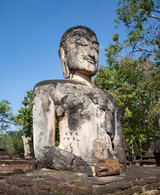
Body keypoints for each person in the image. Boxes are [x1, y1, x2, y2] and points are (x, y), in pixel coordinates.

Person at [33, 26, 126, 176]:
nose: (92, 54)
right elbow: (42, 149)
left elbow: (119, 150)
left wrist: (117, 164)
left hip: (109, 171)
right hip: (74, 169)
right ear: (63, 54)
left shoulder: (109, 99)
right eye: (82, 45)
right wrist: (76, 164)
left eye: (96, 48)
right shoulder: (47, 89)